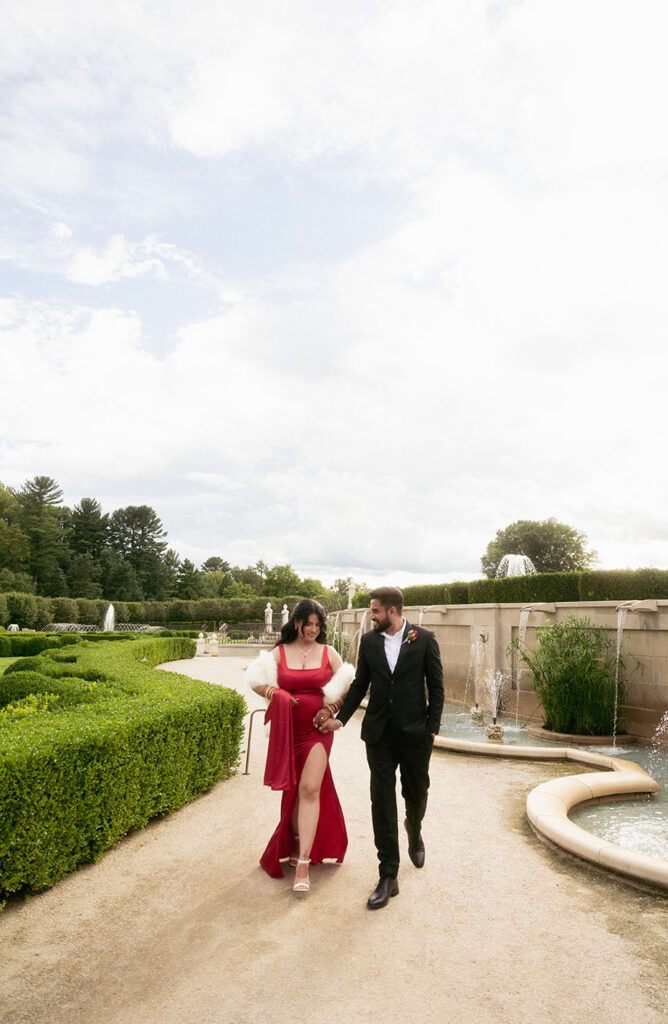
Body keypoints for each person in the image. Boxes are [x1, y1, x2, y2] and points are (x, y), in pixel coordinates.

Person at [316, 586, 444, 909]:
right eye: (371, 611)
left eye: (375, 611)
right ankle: (388, 874)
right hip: (379, 736)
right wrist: (340, 719)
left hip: (416, 735)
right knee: (381, 801)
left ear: (392, 611)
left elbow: (438, 689)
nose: (371, 616)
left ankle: (414, 830)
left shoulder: (424, 639)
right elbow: (360, 684)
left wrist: (431, 731)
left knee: (416, 794)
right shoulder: (370, 641)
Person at [247, 599, 354, 895]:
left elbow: (349, 685)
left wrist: (332, 707)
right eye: (310, 624)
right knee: (293, 789)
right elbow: (254, 679)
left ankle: (304, 862)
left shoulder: (328, 653)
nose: (315, 630)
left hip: (317, 731)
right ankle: (294, 841)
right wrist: (275, 693)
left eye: (319, 625)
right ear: (297, 623)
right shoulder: (279, 652)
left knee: (309, 789)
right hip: (288, 731)